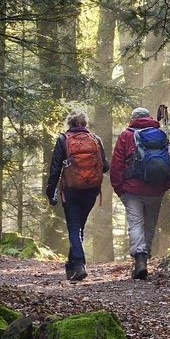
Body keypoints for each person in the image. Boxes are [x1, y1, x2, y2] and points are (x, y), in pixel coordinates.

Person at [110, 106, 170, 280]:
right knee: (149, 224)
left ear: (133, 118)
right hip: (155, 189)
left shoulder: (126, 135)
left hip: (132, 189)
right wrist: (165, 185)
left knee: (135, 223)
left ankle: (140, 259)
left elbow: (116, 164)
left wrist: (119, 187)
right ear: (148, 117)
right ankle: (144, 260)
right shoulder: (161, 135)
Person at [45, 110, 108, 282]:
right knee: (80, 226)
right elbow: (105, 167)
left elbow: (55, 169)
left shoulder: (63, 140)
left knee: (74, 227)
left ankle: (79, 263)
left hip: (71, 190)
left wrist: (51, 191)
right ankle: (71, 264)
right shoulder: (95, 140)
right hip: (91, 190)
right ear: (85, 124)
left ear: (69, 124)